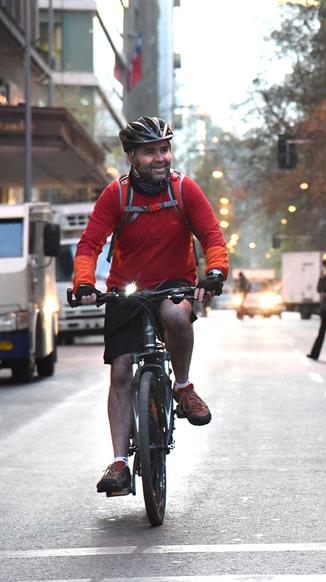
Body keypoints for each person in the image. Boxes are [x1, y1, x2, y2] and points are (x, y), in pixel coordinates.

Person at [72, 116, 229, 494]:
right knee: (122, 370)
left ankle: (184, 387)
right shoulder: (117, 195)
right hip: (127, 288)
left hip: (174, 282)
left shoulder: (184, 189)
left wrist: (216, 271)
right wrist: (84, 283)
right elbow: (90, 244)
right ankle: (119, 464)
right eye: (150, 152)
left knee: (177, 314)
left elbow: (211, 236)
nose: (161, 157)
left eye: (164, 149)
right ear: (132, 157)